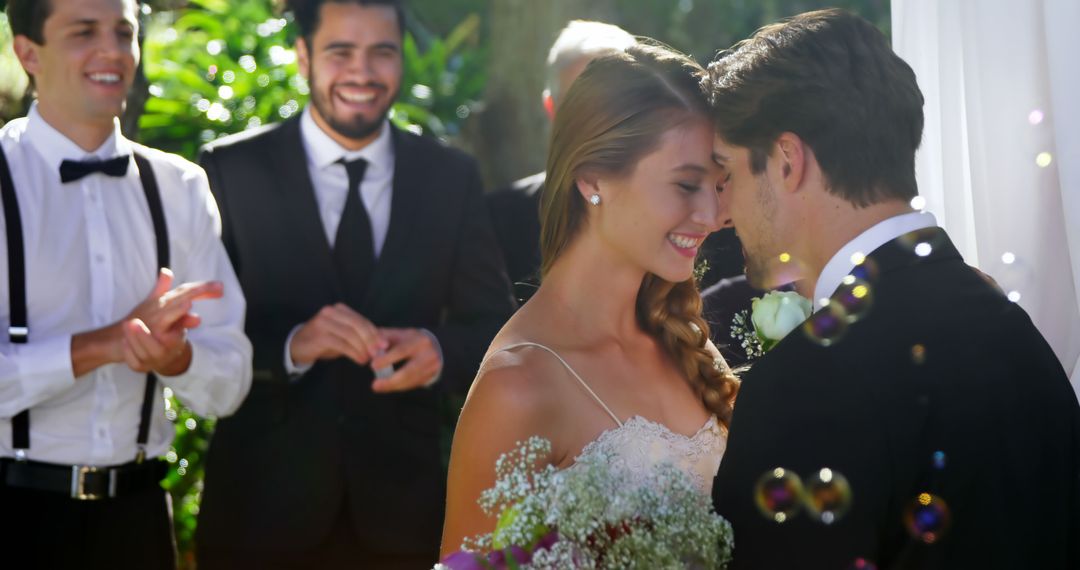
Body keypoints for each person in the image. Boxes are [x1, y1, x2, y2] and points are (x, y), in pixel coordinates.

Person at [704, 9, 1080, 569]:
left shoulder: (805, 386)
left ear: (786, 162)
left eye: (727, 172)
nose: (721, 210)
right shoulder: (1015, 333)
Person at [193, 0, 515, 567]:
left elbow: (496, 328)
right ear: (303, 57)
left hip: (402, 523)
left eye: (381, 53)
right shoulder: (229, 171)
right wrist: (293, 345)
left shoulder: (450, 178)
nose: (362, 73)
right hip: (259, 518)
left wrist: (438, 351)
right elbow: (199, 337)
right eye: (341, 52)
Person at [441, 41, 739, 555]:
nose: (712, 216)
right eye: (687, 185)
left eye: (718, 186)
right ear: (592, 178)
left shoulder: (685, 344)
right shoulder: (517, 386)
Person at [0, 0, 252, 568]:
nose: (112, 50)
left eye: (123, 32)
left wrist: (178, 357)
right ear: (27, 52)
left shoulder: (180, 186)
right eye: (84, 32)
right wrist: (102, 345)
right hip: (14, 514)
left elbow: (230, 381)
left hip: (137, 521)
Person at [486, 20, 634, 304]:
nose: (599, 118)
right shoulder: (498, 218)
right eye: (580, 103)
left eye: (617, 101)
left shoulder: (691, 212)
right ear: (551, 107)